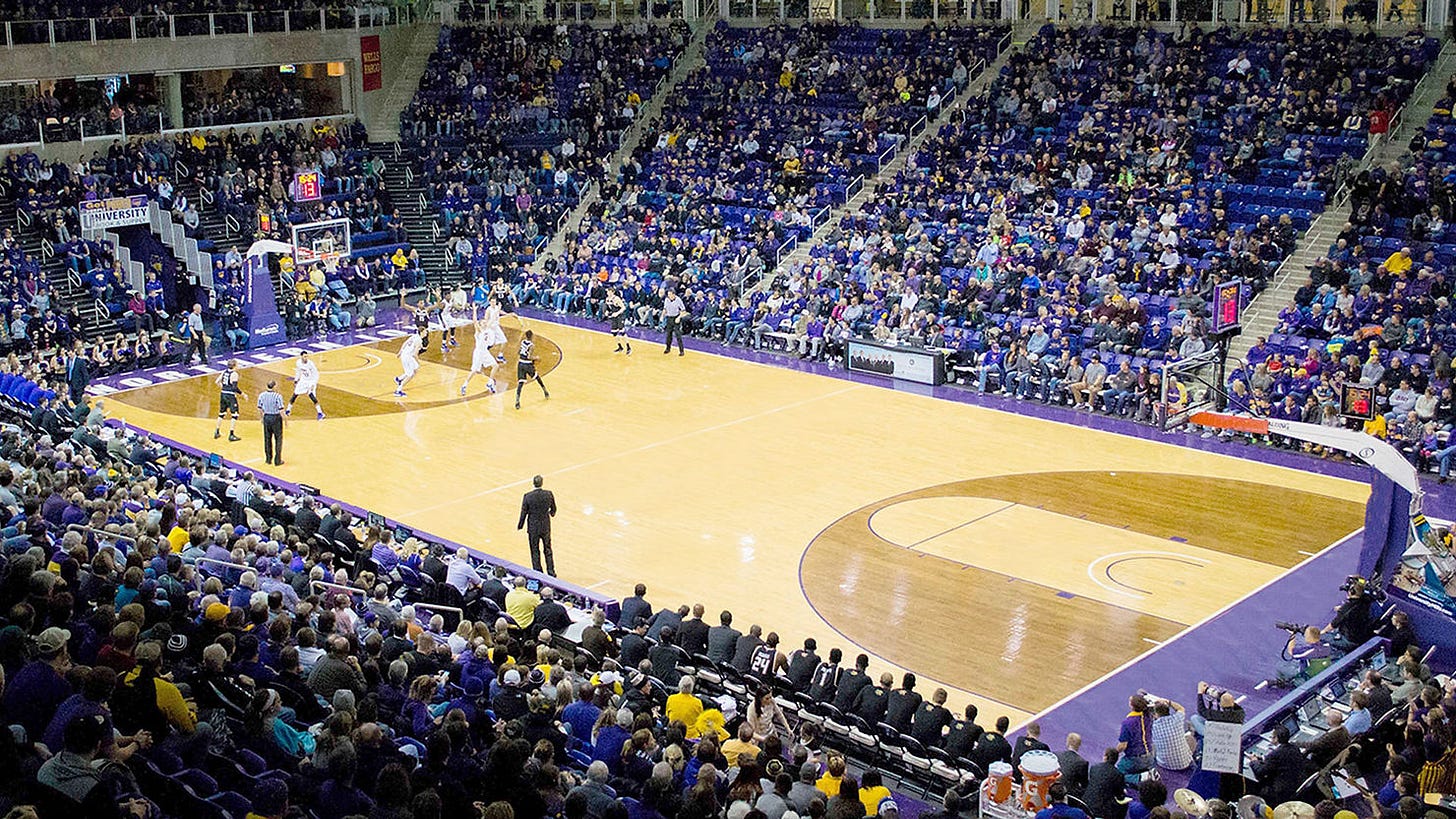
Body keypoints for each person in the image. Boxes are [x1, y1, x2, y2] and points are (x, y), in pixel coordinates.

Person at [461, 300, 506, 395]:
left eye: (485, 322)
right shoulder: (478, 331)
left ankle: (490, 383)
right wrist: (474, 310)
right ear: (480, 324)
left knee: (495, 366)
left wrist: (498, 309)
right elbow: (474, 321)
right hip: (478, 352)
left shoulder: (487, 328)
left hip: (485, 352)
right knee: (474, 371)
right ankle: (464, 385)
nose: (485, 323)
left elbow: (493, 318)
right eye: (483, 322)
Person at [518, 474, 557, 575]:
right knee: (548, 549)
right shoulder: (548, 494)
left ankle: (538, 572)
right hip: (545, 526)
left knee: (535, 550)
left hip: (533, 527)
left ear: (533, 483)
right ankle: (551, 571)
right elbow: (554, 509)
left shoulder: (528, 496)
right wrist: (551, 514)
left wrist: (520, 525)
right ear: (542, 483)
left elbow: (524, 512)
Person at [1085, 749, 1128, 819]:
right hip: (1102, 810)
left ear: (1105, 757)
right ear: (1116, 760)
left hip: (1086, 804)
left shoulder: (1094, 768)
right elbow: (1120, 796)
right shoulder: (1118, 775)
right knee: (1123, 806)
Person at [515, 329, 551, 410]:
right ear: (532, 336)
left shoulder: (522, 342)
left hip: (520, 363)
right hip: (527, 364)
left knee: (520, 383)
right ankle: (545, 391)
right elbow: (529, 357)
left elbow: (518, 352)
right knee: (537, 377)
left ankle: (517, 401)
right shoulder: (532, 345)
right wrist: (536, 358)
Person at [287, 352, 324, 420]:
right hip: (303, 381)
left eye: (307, 356)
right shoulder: (298, 362)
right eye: (304, 357)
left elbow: (316, 374)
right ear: (301, 356)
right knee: (295, 394)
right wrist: (296, 380)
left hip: (311, 381)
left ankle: (320, 413)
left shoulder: (311, 364)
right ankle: (288, 410)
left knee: (311, 396)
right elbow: (298, 371)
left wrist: (313, 384)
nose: (306, 358)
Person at [214, 358, 244, 442]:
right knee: (235, 415)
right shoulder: (234, 374)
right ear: (234, 366)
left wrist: (223, 387)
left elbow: (217, 381)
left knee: (221, 413)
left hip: (223, 394)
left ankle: (217, 431)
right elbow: (234, 387)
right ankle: (231, 434)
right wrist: (242, 394)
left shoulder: (224, 372)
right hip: (230, 396)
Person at [258, 379, 286, 466]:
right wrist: (286, 421)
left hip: (267, 417)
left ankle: (268, 459)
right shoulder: (278, 396)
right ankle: (277, 460)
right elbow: (281, 410)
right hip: (276, 418)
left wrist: (262, 418)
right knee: (278, 439)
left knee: (267, 439)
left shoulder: (262, 395)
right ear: (274, 386)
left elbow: (259, 408)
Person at [394, 327, 424, 397]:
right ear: (422, 332)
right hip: (407, 357)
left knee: (416, 368)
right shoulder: (419, 340)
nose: (426, 333)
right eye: (425, 332)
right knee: (410, 374)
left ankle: (399, 379)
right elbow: (415, 354)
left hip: (405, 354)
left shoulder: (414, 336)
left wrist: (400, 352)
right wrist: (418, 361)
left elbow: (405, 343)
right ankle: (398, 390)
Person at [1057, 733, 1089, 797]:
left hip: (1054, 790)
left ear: (1067, 742)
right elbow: (1084, 784)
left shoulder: (1056, 755)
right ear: (1079, 745)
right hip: (1070, 795)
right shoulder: (1082, 762)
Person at [607, 289, 632, 354]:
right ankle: (620, 347)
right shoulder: (607, 299)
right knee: (614, 333)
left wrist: (617, 313)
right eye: (607, 292)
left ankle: (628, 347)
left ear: (613, 292)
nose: (608, 293)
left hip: (620, 316)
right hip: (614, 317)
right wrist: (607, 312)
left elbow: (623, 307)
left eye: (609, 292)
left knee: (622, 332)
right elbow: (609, 308)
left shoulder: (616, 299)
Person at [662, 288, 686, 355]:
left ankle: (681, 350)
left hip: (676, 318)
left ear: (674, 294)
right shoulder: (666, 300)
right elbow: (665, 308)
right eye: (668, 295)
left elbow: (683, 311)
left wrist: (679, 317)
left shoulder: (678, 300)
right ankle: (668, 348)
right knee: (668, 335)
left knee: (678, 334)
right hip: (669, 318)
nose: (669, 296)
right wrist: (662, 315)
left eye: (670, 294)